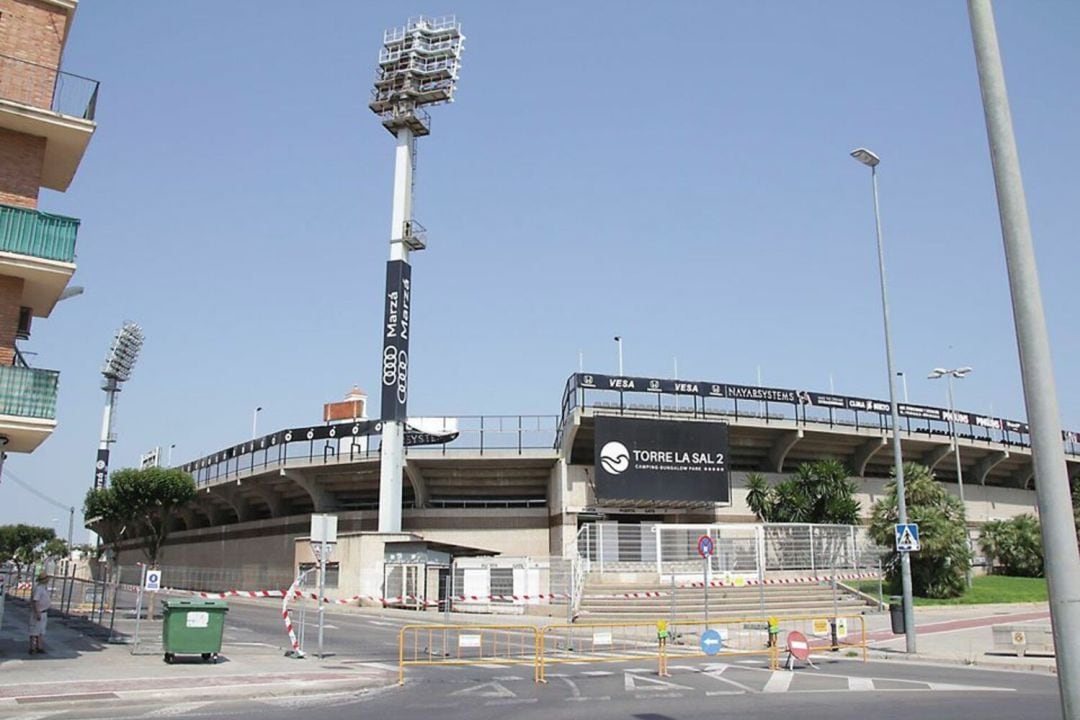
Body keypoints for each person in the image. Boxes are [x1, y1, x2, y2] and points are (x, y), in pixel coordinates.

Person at [29, 570, 51, 655]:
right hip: (39, 612)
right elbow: (35, 601)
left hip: (43, 611)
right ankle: (32, 648)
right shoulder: (39, 588)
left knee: (40, 631)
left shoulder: (43, 588)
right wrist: (37, 612)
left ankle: (39, 647)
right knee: (34, 631)